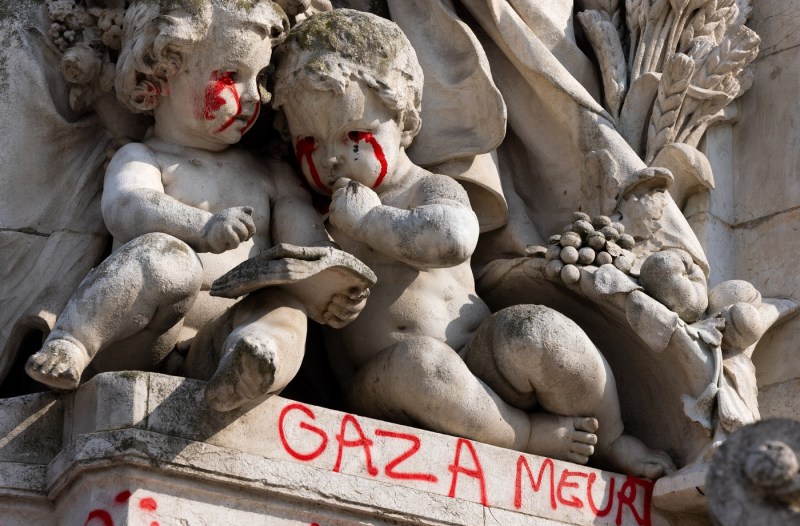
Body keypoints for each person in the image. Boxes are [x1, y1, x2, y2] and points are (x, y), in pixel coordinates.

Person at [272, 9, 675, 477]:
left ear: (404, 119)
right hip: (388, 384)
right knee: (417, 364)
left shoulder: (427, 187)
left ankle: (611, 436)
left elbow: (452, 239)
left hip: (477, 354)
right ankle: (524, 434)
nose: (331, 158)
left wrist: (370, 221)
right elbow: (297, 272)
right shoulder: (313, 218)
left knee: (539, 332)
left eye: (353, 135)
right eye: (309, 142)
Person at [25, 0, 366, 412]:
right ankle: (72, 342)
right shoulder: (142, 157)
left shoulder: (271, 175)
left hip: (216, 342)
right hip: (142, 338)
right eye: (231, 76)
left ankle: (247, 370)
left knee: (284, 310)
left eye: (259, 79)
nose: (253, 96)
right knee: (169, 259)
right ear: (161, 75)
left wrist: (332, 285)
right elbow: (128, 207)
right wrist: (202, 227)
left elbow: (308, 244)